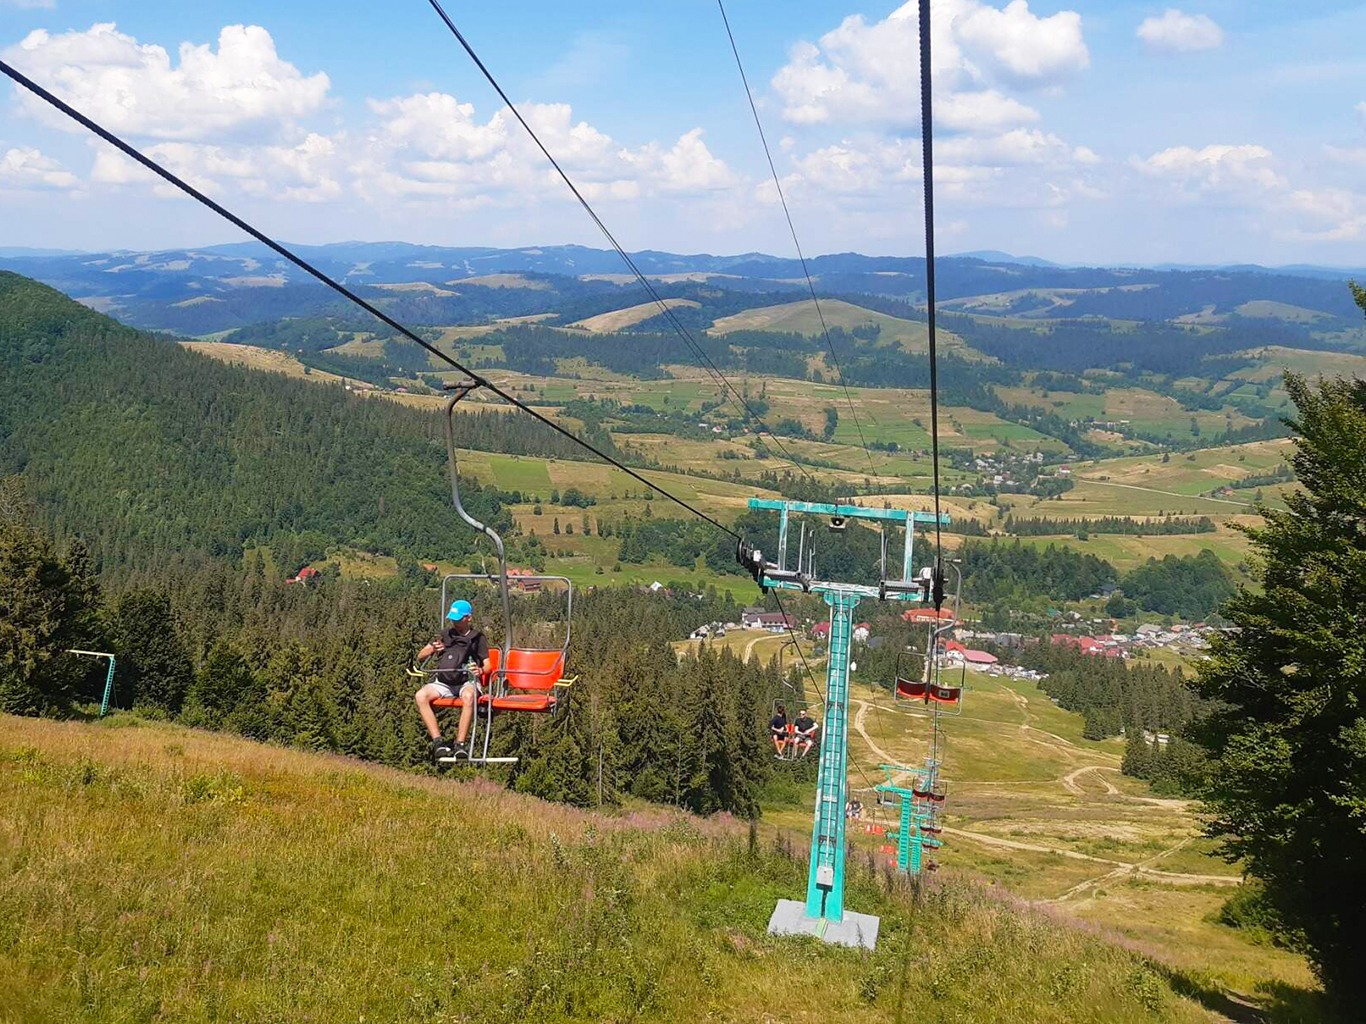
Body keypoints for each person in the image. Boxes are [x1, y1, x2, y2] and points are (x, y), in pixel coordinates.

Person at [414, 599, 492, 762]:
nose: (454, 623)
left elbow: (488, 666)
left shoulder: (477, 638)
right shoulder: (444, 635)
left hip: (466, 682)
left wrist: (480, 671)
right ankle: (438, 742)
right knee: (421, 696)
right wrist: (432, 649)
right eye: (453, 619)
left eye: (458, 619)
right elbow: (420, 656)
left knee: (469, 697)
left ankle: (460, 744)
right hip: (444, 682)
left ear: (468, 618)